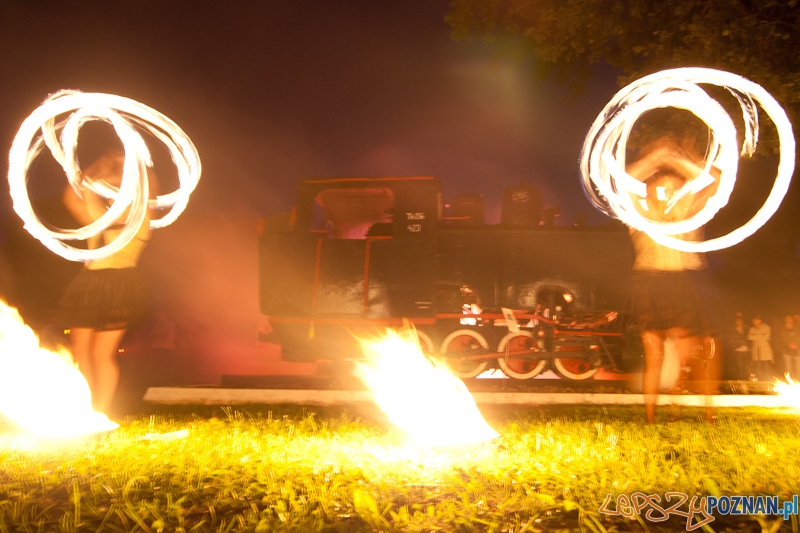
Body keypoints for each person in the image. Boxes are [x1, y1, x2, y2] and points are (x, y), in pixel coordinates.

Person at [626, 139, 720, 424]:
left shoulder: (690, 214)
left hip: (685, 283)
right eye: (662, 189)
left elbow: (714, 179)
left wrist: (680, 158)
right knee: (653, 352)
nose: (669, 193)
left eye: (675, 188)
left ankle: (707, 415)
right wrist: (656, 156)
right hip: (650, 283)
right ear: (650, 193)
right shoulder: (639, 215)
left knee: (697, 350)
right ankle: (651, 418)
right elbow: (626, 181)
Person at [60, 150, 156, 414]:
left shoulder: (140, 223)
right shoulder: (99, 220)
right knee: (80, 352)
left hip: (121, 286)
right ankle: (84, 408)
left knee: (103, 355)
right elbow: (73, 195)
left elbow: (148, 192)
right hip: (89, 285)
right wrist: (98, 166)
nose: (119, 201)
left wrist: (131, 164)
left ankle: (100, 411)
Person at [748, 314, 774, 381]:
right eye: (754, 320)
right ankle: (760, 381)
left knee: (766, 366)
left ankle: (768, 381)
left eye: (757, 319)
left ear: (760, 320)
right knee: (757, 367)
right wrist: (761, 334)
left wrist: (756, 335)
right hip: (755, 350)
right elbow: (750, 337)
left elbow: (766, 337)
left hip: (765, 349)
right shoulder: (751, 329)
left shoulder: (767, 327)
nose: (755, 321)